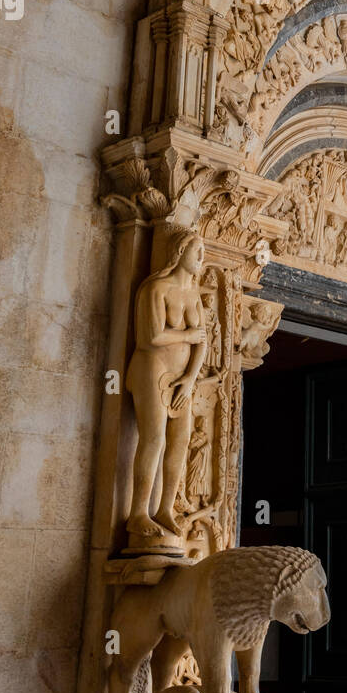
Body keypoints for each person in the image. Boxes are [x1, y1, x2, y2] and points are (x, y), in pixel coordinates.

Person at [125, 230, 207, 544]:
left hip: (182, 377)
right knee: (154, 438)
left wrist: (190, 378)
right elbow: (150, 338)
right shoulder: (156, 288)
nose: (201, 258)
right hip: (151, 367)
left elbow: (204, 341)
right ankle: (137, 514)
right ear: (179, 251)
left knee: (180, 441)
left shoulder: (194, 296)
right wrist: (188, 336)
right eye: (197, 250)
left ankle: (164, 509)